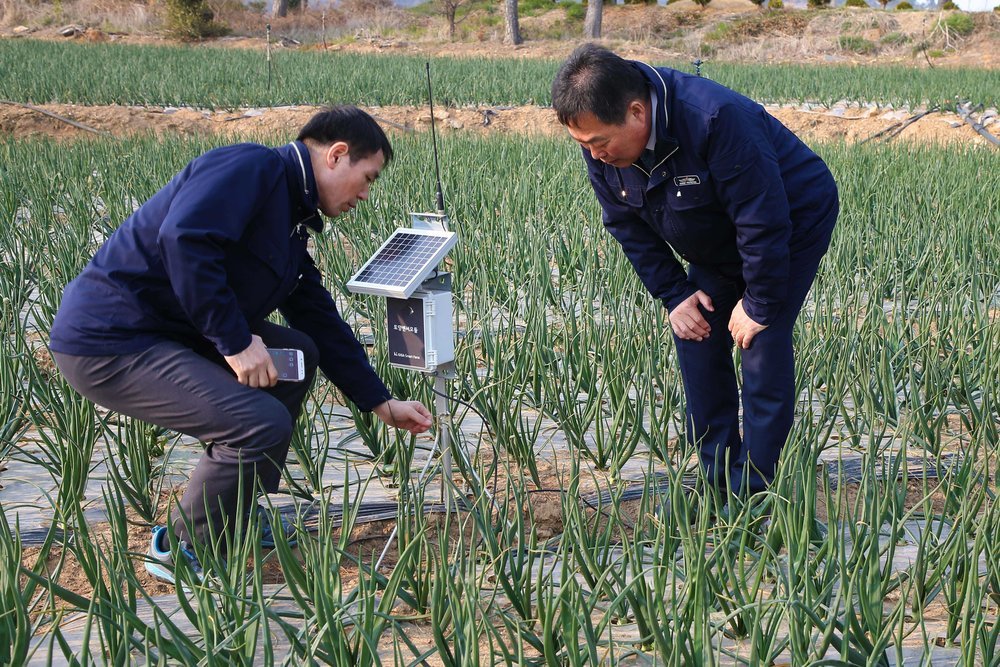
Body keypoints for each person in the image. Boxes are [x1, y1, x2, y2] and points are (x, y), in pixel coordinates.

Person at [49, 106, 432, 582]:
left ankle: (236, 513)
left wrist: (380, 402)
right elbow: (185, 239)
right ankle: (181, 548)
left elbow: (318, 318)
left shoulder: (292, 220)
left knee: (297, 356)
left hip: (172, 332)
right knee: (259, 423)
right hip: (113, 340)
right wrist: (233, 342)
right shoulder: (253, 168)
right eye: (368, 177)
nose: (366, 194)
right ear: (337, 155)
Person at [551, 44, 838, 498]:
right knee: (697, 334)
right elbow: (625, 222)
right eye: (585, 145)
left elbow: (762, 218)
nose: (595, 155)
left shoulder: (714, 118)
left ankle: (754, 494)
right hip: (712, 232)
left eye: (600, 143)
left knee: (760, 341)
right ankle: (717, 483)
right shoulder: (600, 145)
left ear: (636, 110)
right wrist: (675, 293)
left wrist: (760, 303)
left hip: (789, 221)